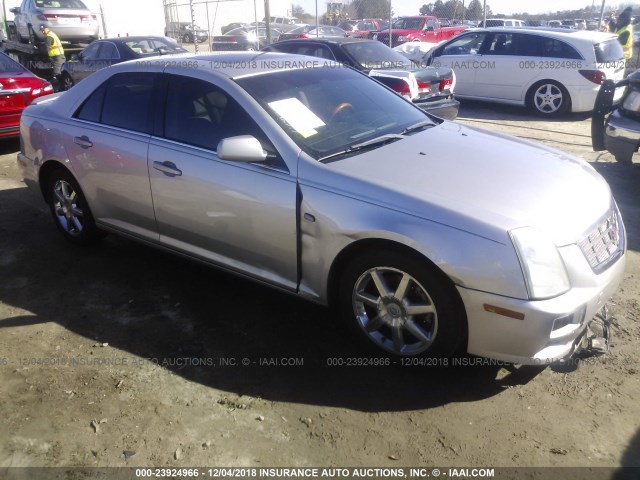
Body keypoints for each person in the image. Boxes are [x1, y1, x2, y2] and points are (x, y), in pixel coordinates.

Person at [39, 24, 65, 90]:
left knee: (57, 73)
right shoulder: (52, 34)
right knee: (60, 72)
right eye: (42, 31)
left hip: (57, 57)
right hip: (58, 56)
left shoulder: (49, 36)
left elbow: (46, 48)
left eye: (43, 30)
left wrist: (38, 50)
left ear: (47, 29)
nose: (43, 32)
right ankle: (62, 87)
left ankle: (60, 89)